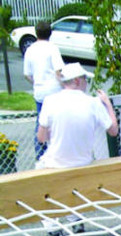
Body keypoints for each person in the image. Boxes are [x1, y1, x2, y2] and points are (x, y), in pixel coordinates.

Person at [37, 62, 118, 169]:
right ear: (77, 80)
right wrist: (108, 104)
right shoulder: (94, 103)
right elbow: (113, 131)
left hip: (54, 165)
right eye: (85, 79)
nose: (86, 83)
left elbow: (41, 138)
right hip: (83, 163)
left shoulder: (49, 101)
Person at [23, 20, 64, 161]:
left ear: (36, 33)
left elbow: (27, 74)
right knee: (57, 123)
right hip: (54, 91)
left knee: (41, 123)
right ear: (50, 33)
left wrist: (37, 83)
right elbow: (59, 70)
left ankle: (40, 155)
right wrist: (64, 85)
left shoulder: (30, 50)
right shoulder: (52, 48)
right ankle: (58, 153)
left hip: (40, 92)